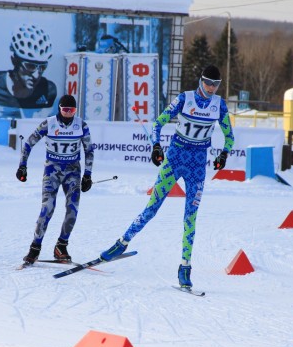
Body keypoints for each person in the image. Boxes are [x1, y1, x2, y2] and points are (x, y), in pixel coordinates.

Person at [99, 65, 235, 289]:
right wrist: (156, 147)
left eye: (216, 84)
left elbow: (229, 136)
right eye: (208, 83)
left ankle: (184, 268)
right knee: (152, 208)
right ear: (200, 80)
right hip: (174, 159)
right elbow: (158, 123)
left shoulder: (219, 105)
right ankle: (121, 243)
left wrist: (224, 153)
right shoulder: (185, 99)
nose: (211, 88)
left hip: (197, 166)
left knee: (190, 217)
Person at [16, 95, 94, 265]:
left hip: (72, 172)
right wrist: (22, 166)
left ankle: (61, 246)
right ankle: (35, 247)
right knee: (47, 208)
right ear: (59, 108)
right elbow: (29, 143)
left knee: (72, 209)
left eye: (71, 110)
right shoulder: (49, 123)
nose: (68, 114)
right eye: (65, 110)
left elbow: (89, 150)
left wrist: (88, 174)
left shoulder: (81, 125)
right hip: (52, 171)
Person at [0, 23, 57, 120]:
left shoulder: (48, 90)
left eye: (42, 67)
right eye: (30, 66)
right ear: (14, 60)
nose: (36, 75)